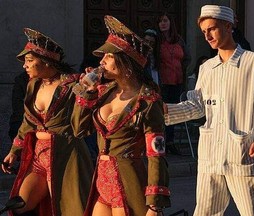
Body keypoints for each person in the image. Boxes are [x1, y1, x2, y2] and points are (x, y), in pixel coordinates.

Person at [164, 5, 254, 216]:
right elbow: (198, 106)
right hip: (210, 156)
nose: (207, 35)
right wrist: (163, 112)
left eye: (212, 29)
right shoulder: (206, 68)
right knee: (205, 213)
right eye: (203, 31)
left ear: (228, 26)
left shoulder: (253, 62)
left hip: (242, 153)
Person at [71, 15, 170, 216]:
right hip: (101, 182)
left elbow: (156, 154)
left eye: (108, 56)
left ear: (125, 62)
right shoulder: (103, 92)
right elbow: (79, 129)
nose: (101, 61)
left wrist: (154, 203)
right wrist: (87, 93)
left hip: (129, 182)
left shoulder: (147, 102)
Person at [1, 28, 94, 216]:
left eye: (29, 61)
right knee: (20, 206)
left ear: (45, 60)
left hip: (66, 156)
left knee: (66, 209)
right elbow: (28, 122)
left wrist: (89, 90)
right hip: (38, 157)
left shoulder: (72, 84)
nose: (24, 66)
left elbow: (83, 119)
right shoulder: (33, 85)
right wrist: (14, 151)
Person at [156, 12, 191, 154]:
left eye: (165, 20)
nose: (163, 24)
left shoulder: (179, 40)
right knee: (161, 113)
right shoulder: (157, 40)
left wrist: (182, 70)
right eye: (160, 21)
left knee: (172, 112)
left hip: (177, 80)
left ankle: (170, 141)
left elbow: (187, 57)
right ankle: (160, 143)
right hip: (162, 82)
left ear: (171, 23)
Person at [8, 71, 29, 142]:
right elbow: (18, 111)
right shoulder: (22, 80)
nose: (24, 65)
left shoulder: (61, 82)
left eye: (30, 60)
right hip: (23, 124)